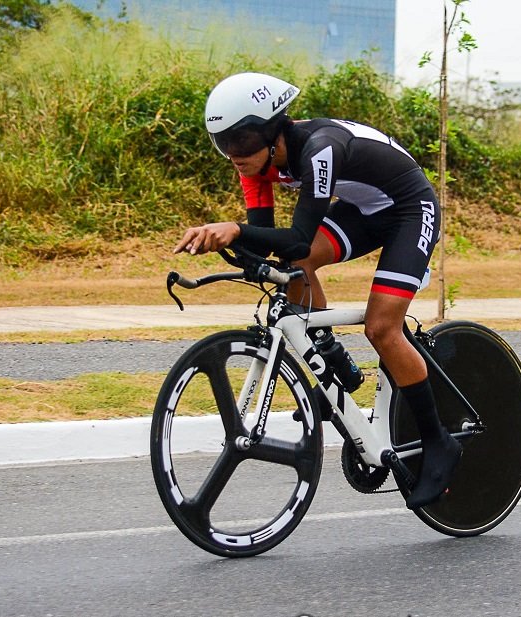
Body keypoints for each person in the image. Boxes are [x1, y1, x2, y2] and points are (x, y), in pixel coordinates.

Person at [173, 72, 460, 510]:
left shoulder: (319, 148)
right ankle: (330, 360)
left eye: (243, 139)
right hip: (366, 210)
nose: (235, 154)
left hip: (409, 208)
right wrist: (231, 244)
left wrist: (233, 230)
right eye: (224, 142)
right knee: (292, 268)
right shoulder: (254, 166)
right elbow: (268, 242)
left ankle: (438, 440)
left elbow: (299, 238)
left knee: (382, 329)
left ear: (273, 130)